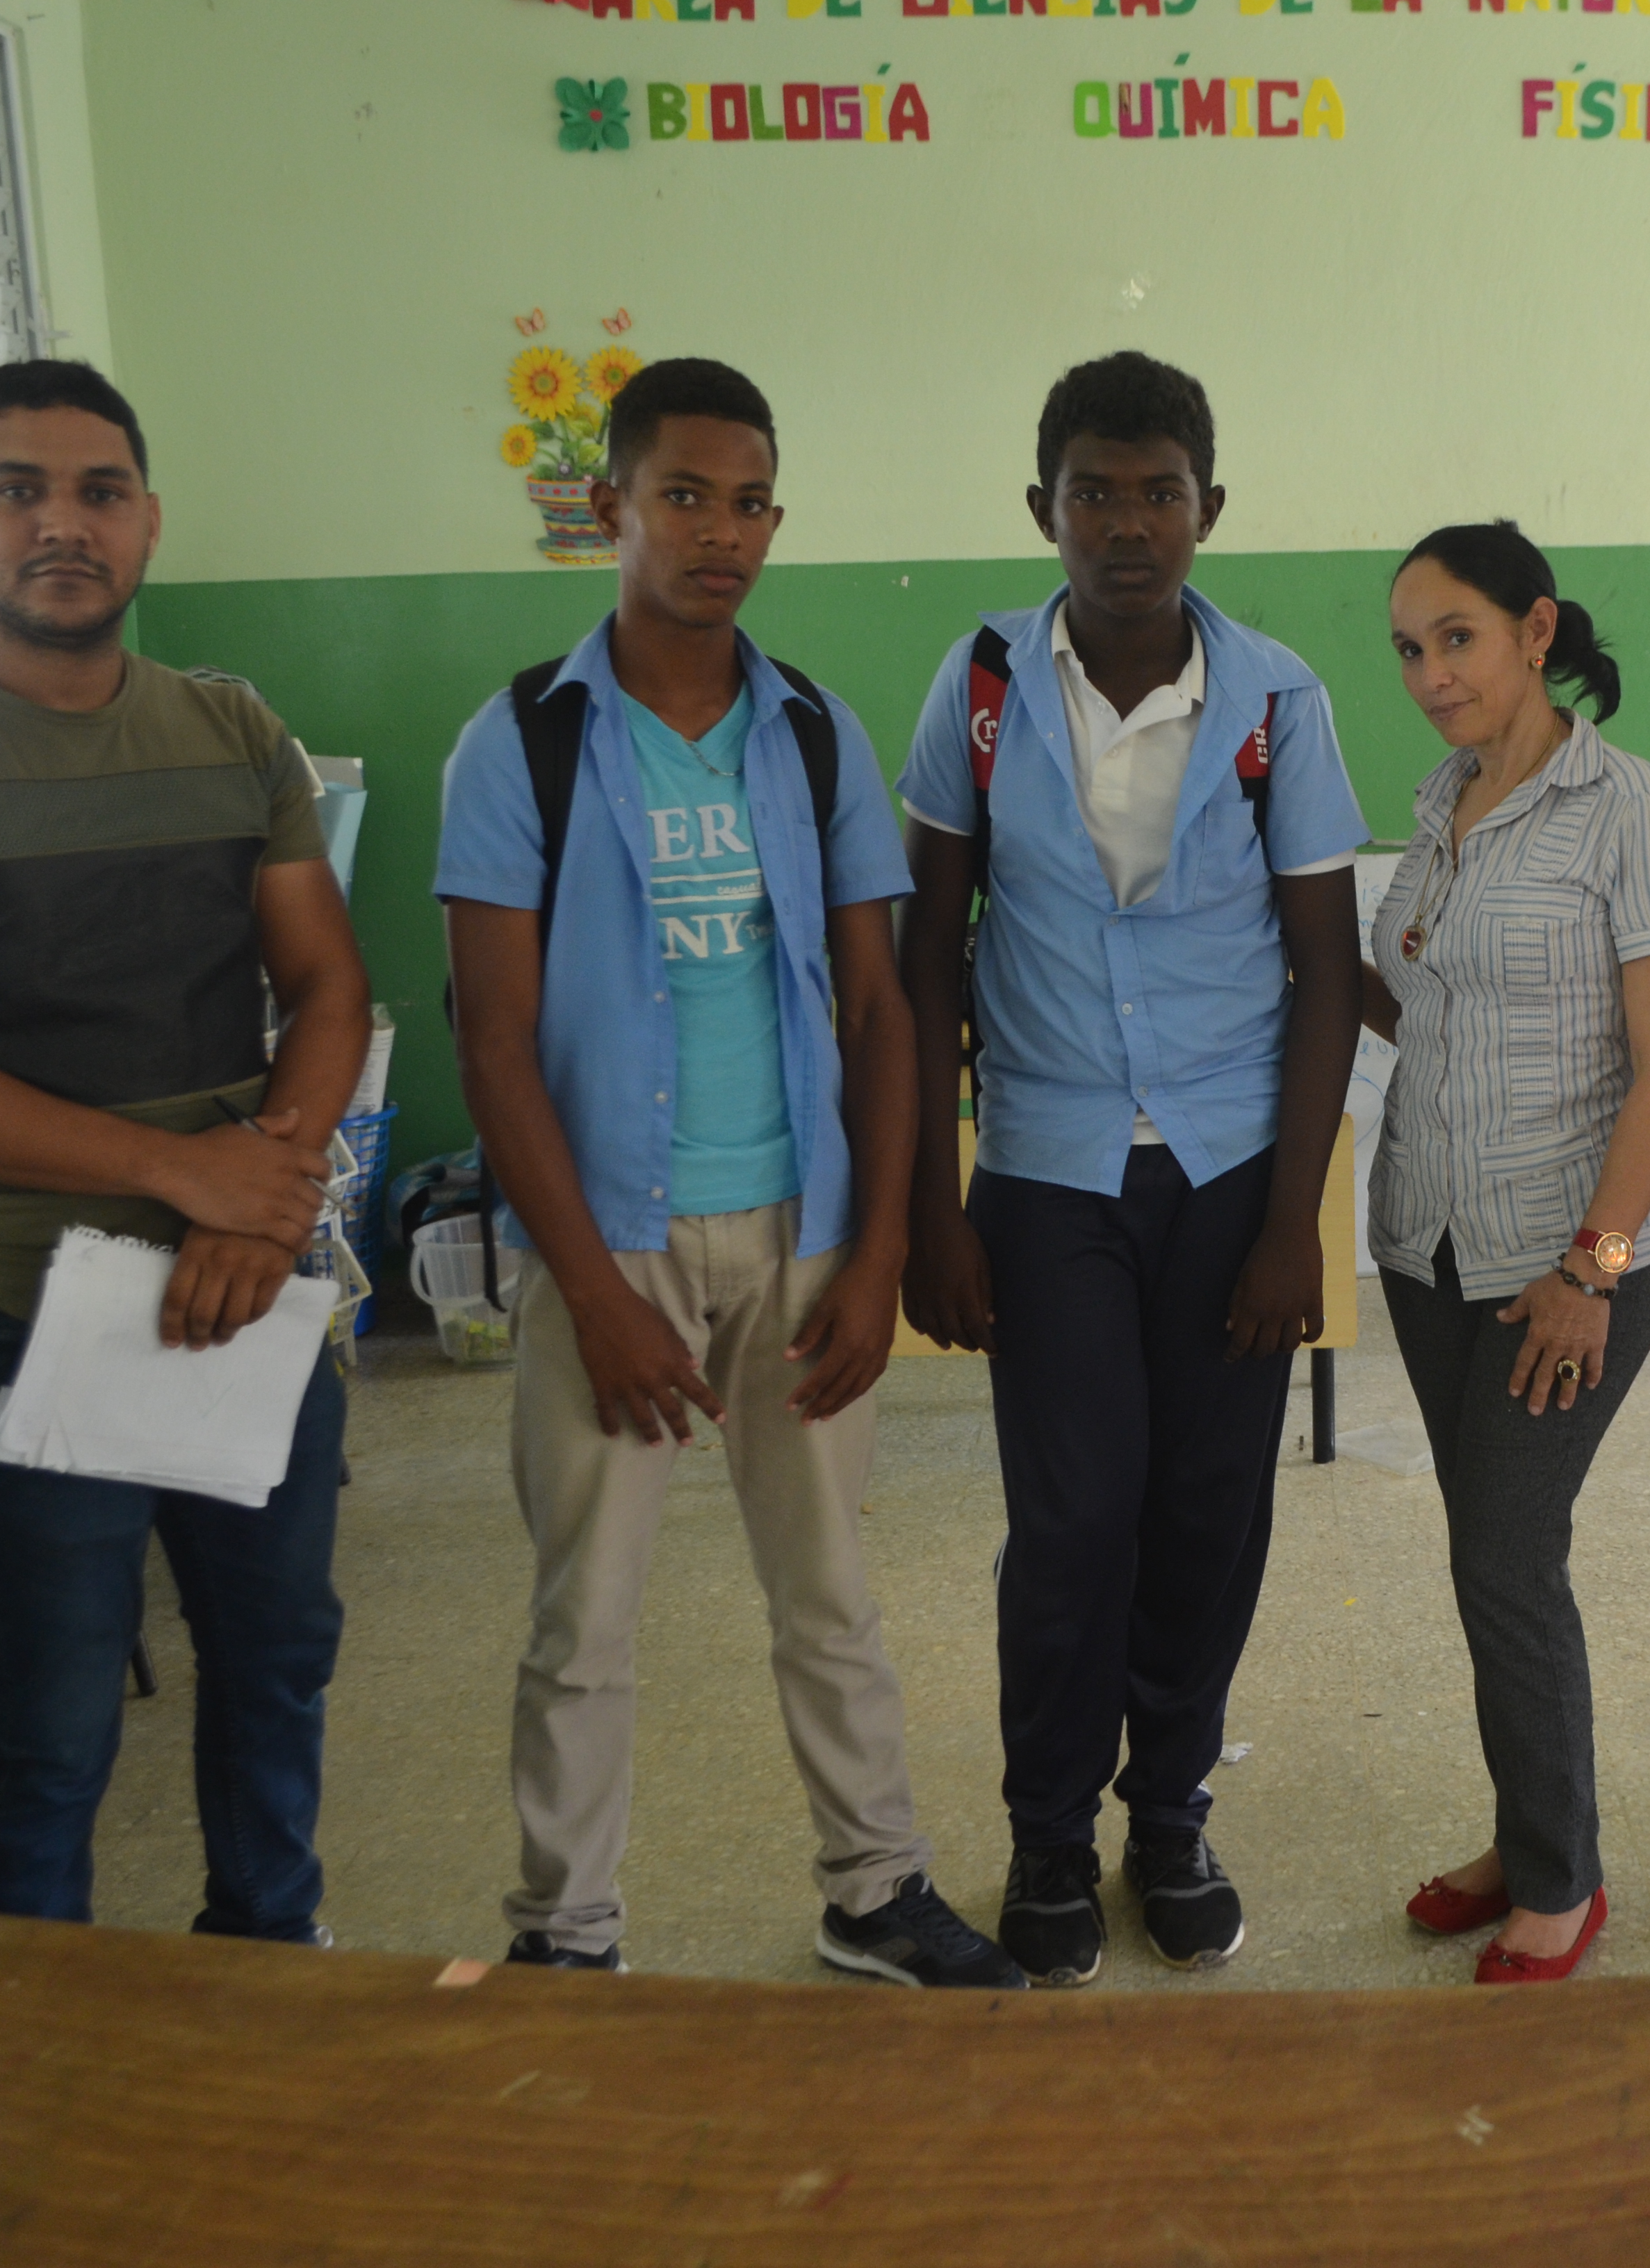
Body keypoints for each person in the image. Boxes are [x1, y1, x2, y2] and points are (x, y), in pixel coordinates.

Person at [436, 357, 1020, 1989]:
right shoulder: (527, 743)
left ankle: (873, 1894)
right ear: (609, 508)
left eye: (751, 500)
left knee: (831, 1594)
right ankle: (565, 1930)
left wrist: (885, 1246)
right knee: (586, 1620)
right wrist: (591, 1295)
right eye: (683, 494)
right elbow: (492, 1044)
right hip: (608, 1242)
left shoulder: (813, 730)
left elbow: (882, 1004)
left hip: (804, 1235)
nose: (722, 531)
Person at [0, 360, 370, 1935]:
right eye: (18, 490)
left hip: (242, 1287)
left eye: (99, 492)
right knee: (50, 1732)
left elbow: (327, 986)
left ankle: (265, 1958)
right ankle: (30, 2050)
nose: (62, 524)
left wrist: (262, 1198)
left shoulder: (233, 729)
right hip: (34, 1308)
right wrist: (181, 1175)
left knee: (278, 1667)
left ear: (149, 522)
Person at [900, 351, 1366, 1988]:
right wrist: (928, 1204)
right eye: (1092, 490)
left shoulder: (1279, 700)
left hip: (1235, 1169)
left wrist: (1298, 1225)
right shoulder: (972, 692)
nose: (1124, 522)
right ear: (1043, 508)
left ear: (1207, 510)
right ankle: (1047, 1837)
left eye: (1157, 489)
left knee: (1205, 1512)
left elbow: (1325, 967)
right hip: (1043, 1170)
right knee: (1073, 1514)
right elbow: (923, 962)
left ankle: (1167, 1815)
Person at [1365, 523, 1650, 1984]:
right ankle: (1526, 1833)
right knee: (1486, 1556)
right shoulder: (1443, 793)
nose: (1429, 673)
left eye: (1455, 637)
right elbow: (1427, 1000)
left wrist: (1593, 1267)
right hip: (1425, 1239)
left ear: (1535, 630)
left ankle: (1562, 1879)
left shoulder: (1638, 811)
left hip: (1559, 1265)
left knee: (1510, 1557)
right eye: (1405, 647)